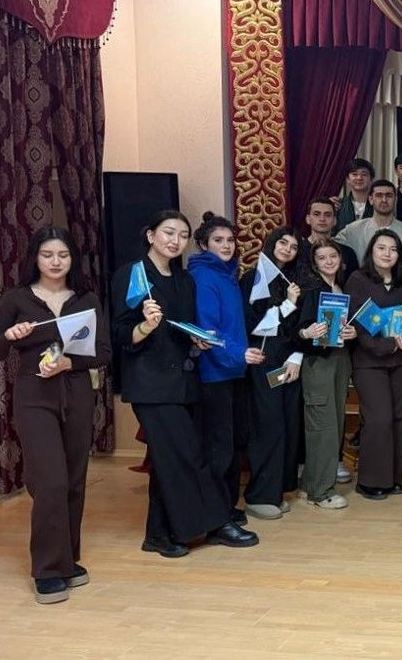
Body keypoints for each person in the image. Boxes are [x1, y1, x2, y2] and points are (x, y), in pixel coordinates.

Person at [110, 211, 258, 558]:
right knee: (186, 456)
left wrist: (198, 339)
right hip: (151, 384)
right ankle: (215, 522)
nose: (175, 240)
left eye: (182, 235)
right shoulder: (134, 275)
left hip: (185, 381)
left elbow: (184, 327)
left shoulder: (183, 280)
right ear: (151, 235)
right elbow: (120, 332)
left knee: (168, 459)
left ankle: (158, 534)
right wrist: (145, 326)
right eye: (168, 233)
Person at [0, 227, 112, 604]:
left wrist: (71, 362)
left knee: (73, 480)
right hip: (34, 394)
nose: (56, 262)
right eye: (47, 255)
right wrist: (10, 336)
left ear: (73, 259)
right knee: (50, 480)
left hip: (77, 392)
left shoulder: (86, 298)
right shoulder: (17, 298)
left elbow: (103, 352)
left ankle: (67, 560)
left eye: (63, 255)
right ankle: (47, 569)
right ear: (35, 259)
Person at [189, 213, 262, 525]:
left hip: (233, 370)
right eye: (218, 240)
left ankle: (226, 507)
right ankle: (216, 513)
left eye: (230, 240)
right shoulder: (204, 276)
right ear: (204, 244)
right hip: (215, 372)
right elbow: (209, 330)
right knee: (218, 447)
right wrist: (239, 353)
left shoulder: (228, 274)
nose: (227, 245)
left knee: (231, 444)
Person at [345, 229, 402, 499]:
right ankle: (369, 481)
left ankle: (393, 478)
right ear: (371, 250)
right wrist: (388, 345)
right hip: (370, 362)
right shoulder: (358, 280)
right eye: (382, 248)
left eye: (393, 249)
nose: (387, 254)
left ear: (400, 255)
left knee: (401, 418)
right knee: (379, 419)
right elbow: (357, 325)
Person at [239, 227, 305, 520]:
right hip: (263, 359)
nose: (287, 249)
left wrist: (296, 356)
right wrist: (288, 304)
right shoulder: (252, 278)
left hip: (287, 362)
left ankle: (277, 490)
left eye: (294, 246)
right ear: (271, 243)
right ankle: (260, 495)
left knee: (287, 424)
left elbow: (299, 327)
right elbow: (253, 324)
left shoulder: (293, 281)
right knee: (268, 427)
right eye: (283, 242)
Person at [295, 238, 356, 509]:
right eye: (322, 258)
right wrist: (305, 332)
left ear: (340, 260)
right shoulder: (311, 289)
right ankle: (321, 492)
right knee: (323, 426)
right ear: (314, 263)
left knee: (336, 423)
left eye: (333, 256)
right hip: (318, 362)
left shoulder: (340, 288)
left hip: (340, 358)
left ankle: (310, 484)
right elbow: (296, 329)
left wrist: (352, 333)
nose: (329, 261)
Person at [336, 179, 402, 266]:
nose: (384, 200)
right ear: (371, 199)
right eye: (379, 195)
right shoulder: (352, 230)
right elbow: (331, 246)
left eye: (389, 196)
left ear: (396, 199)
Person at [305, 196, 359, 278]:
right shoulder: (297, 250)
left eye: (327, 215)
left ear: (334, 221)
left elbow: (354, 283)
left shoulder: (347, 253)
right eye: (316, 214)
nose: (322, 219)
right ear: (308, 219)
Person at [336, 158, 375, 232]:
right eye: (354, 174)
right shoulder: (338, 205)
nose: (359, 178)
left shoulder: (377, 204)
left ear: (371, 179)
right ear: (348, 179)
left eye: (364, 174)